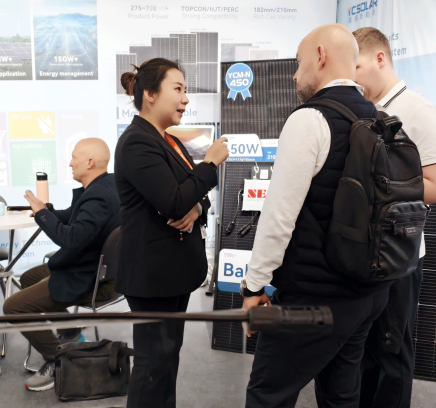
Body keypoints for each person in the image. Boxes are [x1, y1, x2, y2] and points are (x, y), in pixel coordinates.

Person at [241, 24, 393, 408]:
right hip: (368, 293)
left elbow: (278, 217)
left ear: (320, 56)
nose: (295, 75)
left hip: (311, 299)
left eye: (299, 62)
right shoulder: (380, 119)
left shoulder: (309, 119)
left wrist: (254, 288)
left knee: (268, 396)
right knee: (340, 397)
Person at [115, 58, 229, 408]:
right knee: (153, 364)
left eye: (185, 90)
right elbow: (175, 199)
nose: (185, 98)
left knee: (165, 360)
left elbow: (191, 195)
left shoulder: (166, 140)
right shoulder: (137, 142)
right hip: (153, 276)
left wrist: (198, 208)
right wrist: (210, 164)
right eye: (177, 89)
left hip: (172, 272)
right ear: (150, 94)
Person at [352, 27, 436, 408]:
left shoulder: (418, 110)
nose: (352, 77)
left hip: (399, 255)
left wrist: (380, 187)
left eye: (357, 66)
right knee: (363, 353)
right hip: (363, 253)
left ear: (380, 58)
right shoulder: (362, 111)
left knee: (391, 354)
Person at [3, 138, 120, 392]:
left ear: (89, 162)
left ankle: (58, 359)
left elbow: (71, 238)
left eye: (74, 158)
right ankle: (71, 332)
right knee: (29, 278)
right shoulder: (106, 185)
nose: (69, 163)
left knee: (12, 307)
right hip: (92, 268)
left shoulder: (98, 196)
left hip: (91, 279)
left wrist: (42, 214)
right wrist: (46, 210)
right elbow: (73, 217)